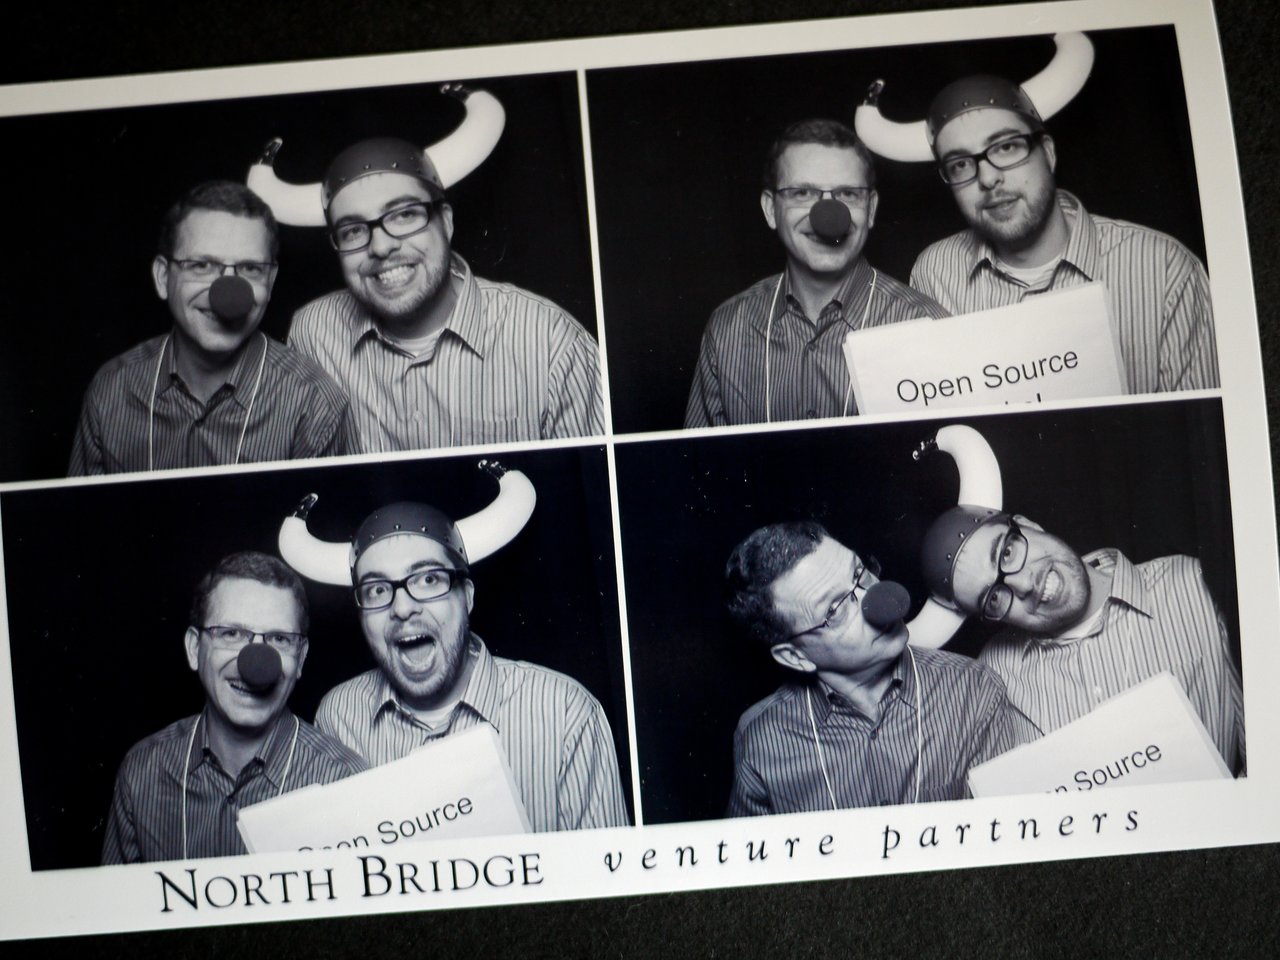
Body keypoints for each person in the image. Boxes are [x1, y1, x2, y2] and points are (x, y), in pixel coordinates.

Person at [308, 499, 628, 832]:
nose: (402, 608)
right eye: (376, 589)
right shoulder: (338, 716)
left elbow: (610, 878)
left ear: (468, 597)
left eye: (429, 580)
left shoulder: (565, 713)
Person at [908, 75, 1219, 394]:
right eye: (959, 165)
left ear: (1048, 153)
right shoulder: (935, 273)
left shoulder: (1166, 268)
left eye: (1005, 147)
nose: (987, 178)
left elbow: (1202, 430)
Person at [288, 138, 604, 450]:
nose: (381, 247)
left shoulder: (552, 343)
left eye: (404, 215)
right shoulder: (313, 335)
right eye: (353, 230)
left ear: (447, 222)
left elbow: (601, 485)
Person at [723, 521, 1020, 816]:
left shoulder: (975, 689)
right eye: (836, 608)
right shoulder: (760, 738)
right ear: (795, 656)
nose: (875, 600)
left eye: (859, 573)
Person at [920, 506, 1245, 773]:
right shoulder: (996, 676)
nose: (1023, 584)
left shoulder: (1193, 585)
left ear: (1027, 524)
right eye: (994, 597)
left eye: (1007, 552)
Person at [69, 181, 355, 475]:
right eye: (202, 265)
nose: (226, 292)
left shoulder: (315, 404)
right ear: (162, 276)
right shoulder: (111, 389)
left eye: (250, 269)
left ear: (270, 282)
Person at [102, 552, 366, 864]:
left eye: (279, 639)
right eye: (231, 634)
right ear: (194, 648)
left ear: (301, 658)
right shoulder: (142, 771)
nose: (254, 663)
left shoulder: (347, 784)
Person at [685, 120, 948, 428]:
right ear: (771, 209)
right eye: (802, 193)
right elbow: (700, 466)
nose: (827, 216)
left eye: (848, 194)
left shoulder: (929, 328)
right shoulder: (727, 328)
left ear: (871, 209)